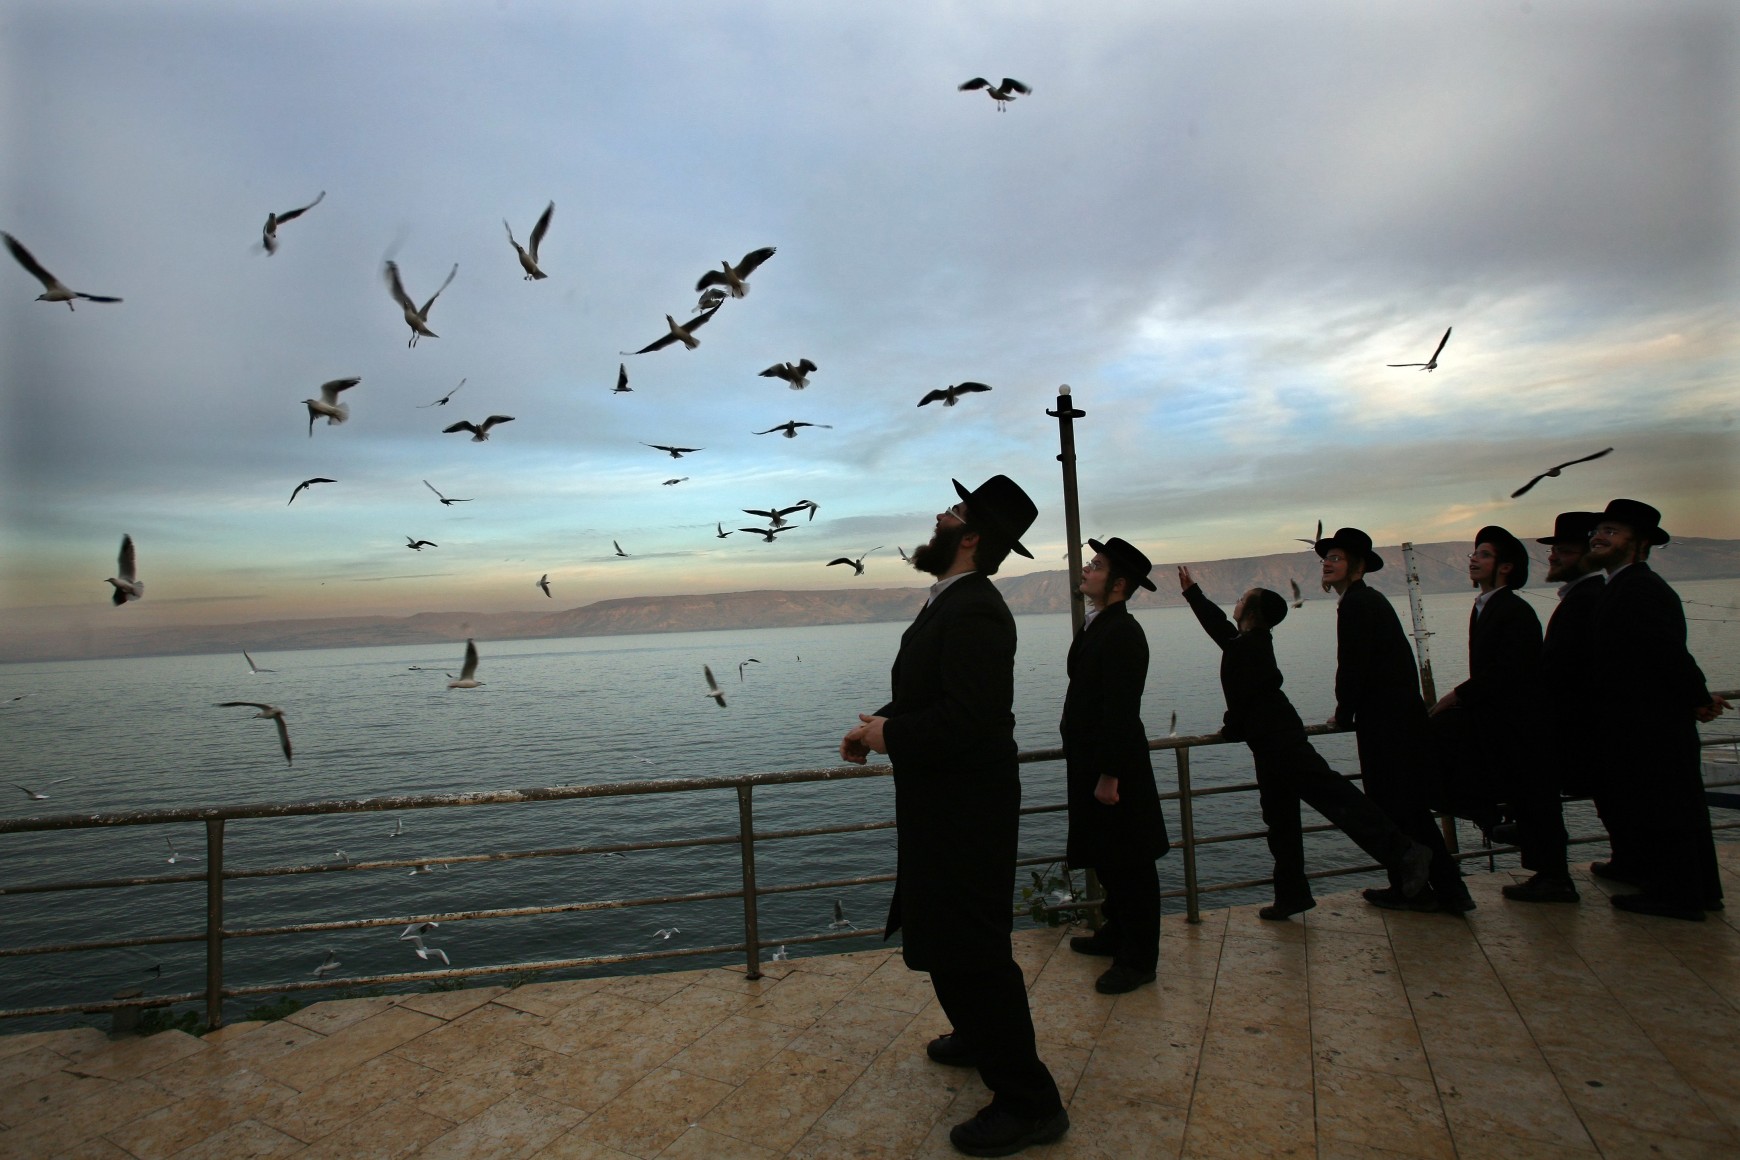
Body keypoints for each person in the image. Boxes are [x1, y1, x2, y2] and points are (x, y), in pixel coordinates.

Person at [840, 475, 1068, 1156]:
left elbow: (970, 721)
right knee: (952, 938)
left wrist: (891, 737)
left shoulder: (973, 610)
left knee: (973, 951)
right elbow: (933, 696)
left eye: (952, 512)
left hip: (966, 810)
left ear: (968, 537)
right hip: (950, 803)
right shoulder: (954, 600)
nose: (938, 517)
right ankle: (975, 1034)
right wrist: (880, 725)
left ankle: (1031, 1102)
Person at [1179, 567, 1432, 919]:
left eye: (1241, 600)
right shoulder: (1247, 641)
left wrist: (1232, 726)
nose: (1234, 604)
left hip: (1280, 741)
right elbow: (1219, 628)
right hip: (1270, 742)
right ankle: (1292, 894)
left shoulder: (1251, 647)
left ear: (1251, 612)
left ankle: (1405, 851)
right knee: (1281, 820)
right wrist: (1193, 593)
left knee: (1333, 796)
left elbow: (1253, 694)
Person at [1584, 499, 1729, 920]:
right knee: (1678, 806)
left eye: (1612, 531)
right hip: (1651, 720)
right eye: (1599, 530)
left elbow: (1667, 654)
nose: (1599, 536)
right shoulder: (1624, 586)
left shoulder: (1639, 588)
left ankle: (1677, 896)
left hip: (1650, 723)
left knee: (1666, 808)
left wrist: (1698, 698)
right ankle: (1698, 891)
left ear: (1640, 543)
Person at [1317, 528, 1471, 913]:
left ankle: (1424, 890)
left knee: (1398, 809)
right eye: (1327, 558)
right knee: (1408, 810)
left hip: (1387, 727)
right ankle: (1439, 890)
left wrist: (1343, 711)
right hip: (1400, 720)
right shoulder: (1368, 601)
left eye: (1336, 558)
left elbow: (1353, 664)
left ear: (1358, 566)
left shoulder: (1357, 604)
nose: (1327, 563)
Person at [1061, 537, 1170, 994]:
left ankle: (1139, 958)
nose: (1087, 569)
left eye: (1097, 565)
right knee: (1108, 858)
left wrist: (1110, 773)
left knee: (1131, 865)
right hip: (1093, 764)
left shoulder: (1124, 632)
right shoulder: (1100, 624)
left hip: (1114, 771)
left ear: (1119, 583)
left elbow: (1121, 710)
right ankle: (1115, 933)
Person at [1426, 526, 1555, 896]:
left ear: (1506, 567)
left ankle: (1552, 876)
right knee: (1523, 798)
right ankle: (1493, 820)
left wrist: (1455, 696)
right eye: (1474, 553)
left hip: (1519, 723)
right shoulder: (1485, 607)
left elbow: (1509, 670)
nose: (1473, 560)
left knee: (1534, 801)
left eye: (1483, 554)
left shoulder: (1514, 609)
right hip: (1500, 721)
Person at [1507, 511, 1604, 902]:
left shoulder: (1589, 599)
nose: (1552, 557)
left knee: (1540, 794)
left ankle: (1553, 876)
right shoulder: (1584, 597)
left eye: (1564, 551)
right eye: (1553, 550)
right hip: (1573, 723)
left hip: (1574, 726)